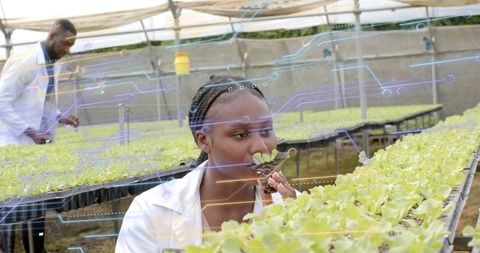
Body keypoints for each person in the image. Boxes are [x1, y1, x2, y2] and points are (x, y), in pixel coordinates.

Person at [115, 76, 298, 253]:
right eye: (240, 135)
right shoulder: (150, 212)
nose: (261, 146)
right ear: (204, 140)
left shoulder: (291, 206)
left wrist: (290, 229)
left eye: (266, 131)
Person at [0, 19, 79, 253]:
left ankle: (37, 249)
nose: (67, 50)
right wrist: (30, 131)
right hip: (10, 142)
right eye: (65, 44)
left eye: (70, 47)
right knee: (11, 203)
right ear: (52, 36)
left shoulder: (52, 62)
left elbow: (39, 100)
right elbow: (2, 101)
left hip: (32, 143)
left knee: (36, 200)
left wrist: (59, 116)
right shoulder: (25, 62)